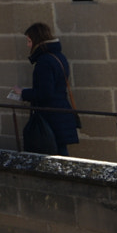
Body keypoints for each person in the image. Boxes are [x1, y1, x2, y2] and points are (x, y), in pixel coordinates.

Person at [15, 23, 80, 155]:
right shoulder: (58, 57)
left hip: (51, 116)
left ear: (37, 40)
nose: (28, 45)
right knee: (61, 153)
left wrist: (22, 93)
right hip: (61, 112)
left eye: (29, 41)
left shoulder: (44, 61)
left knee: (53, 155)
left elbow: (45, 93)